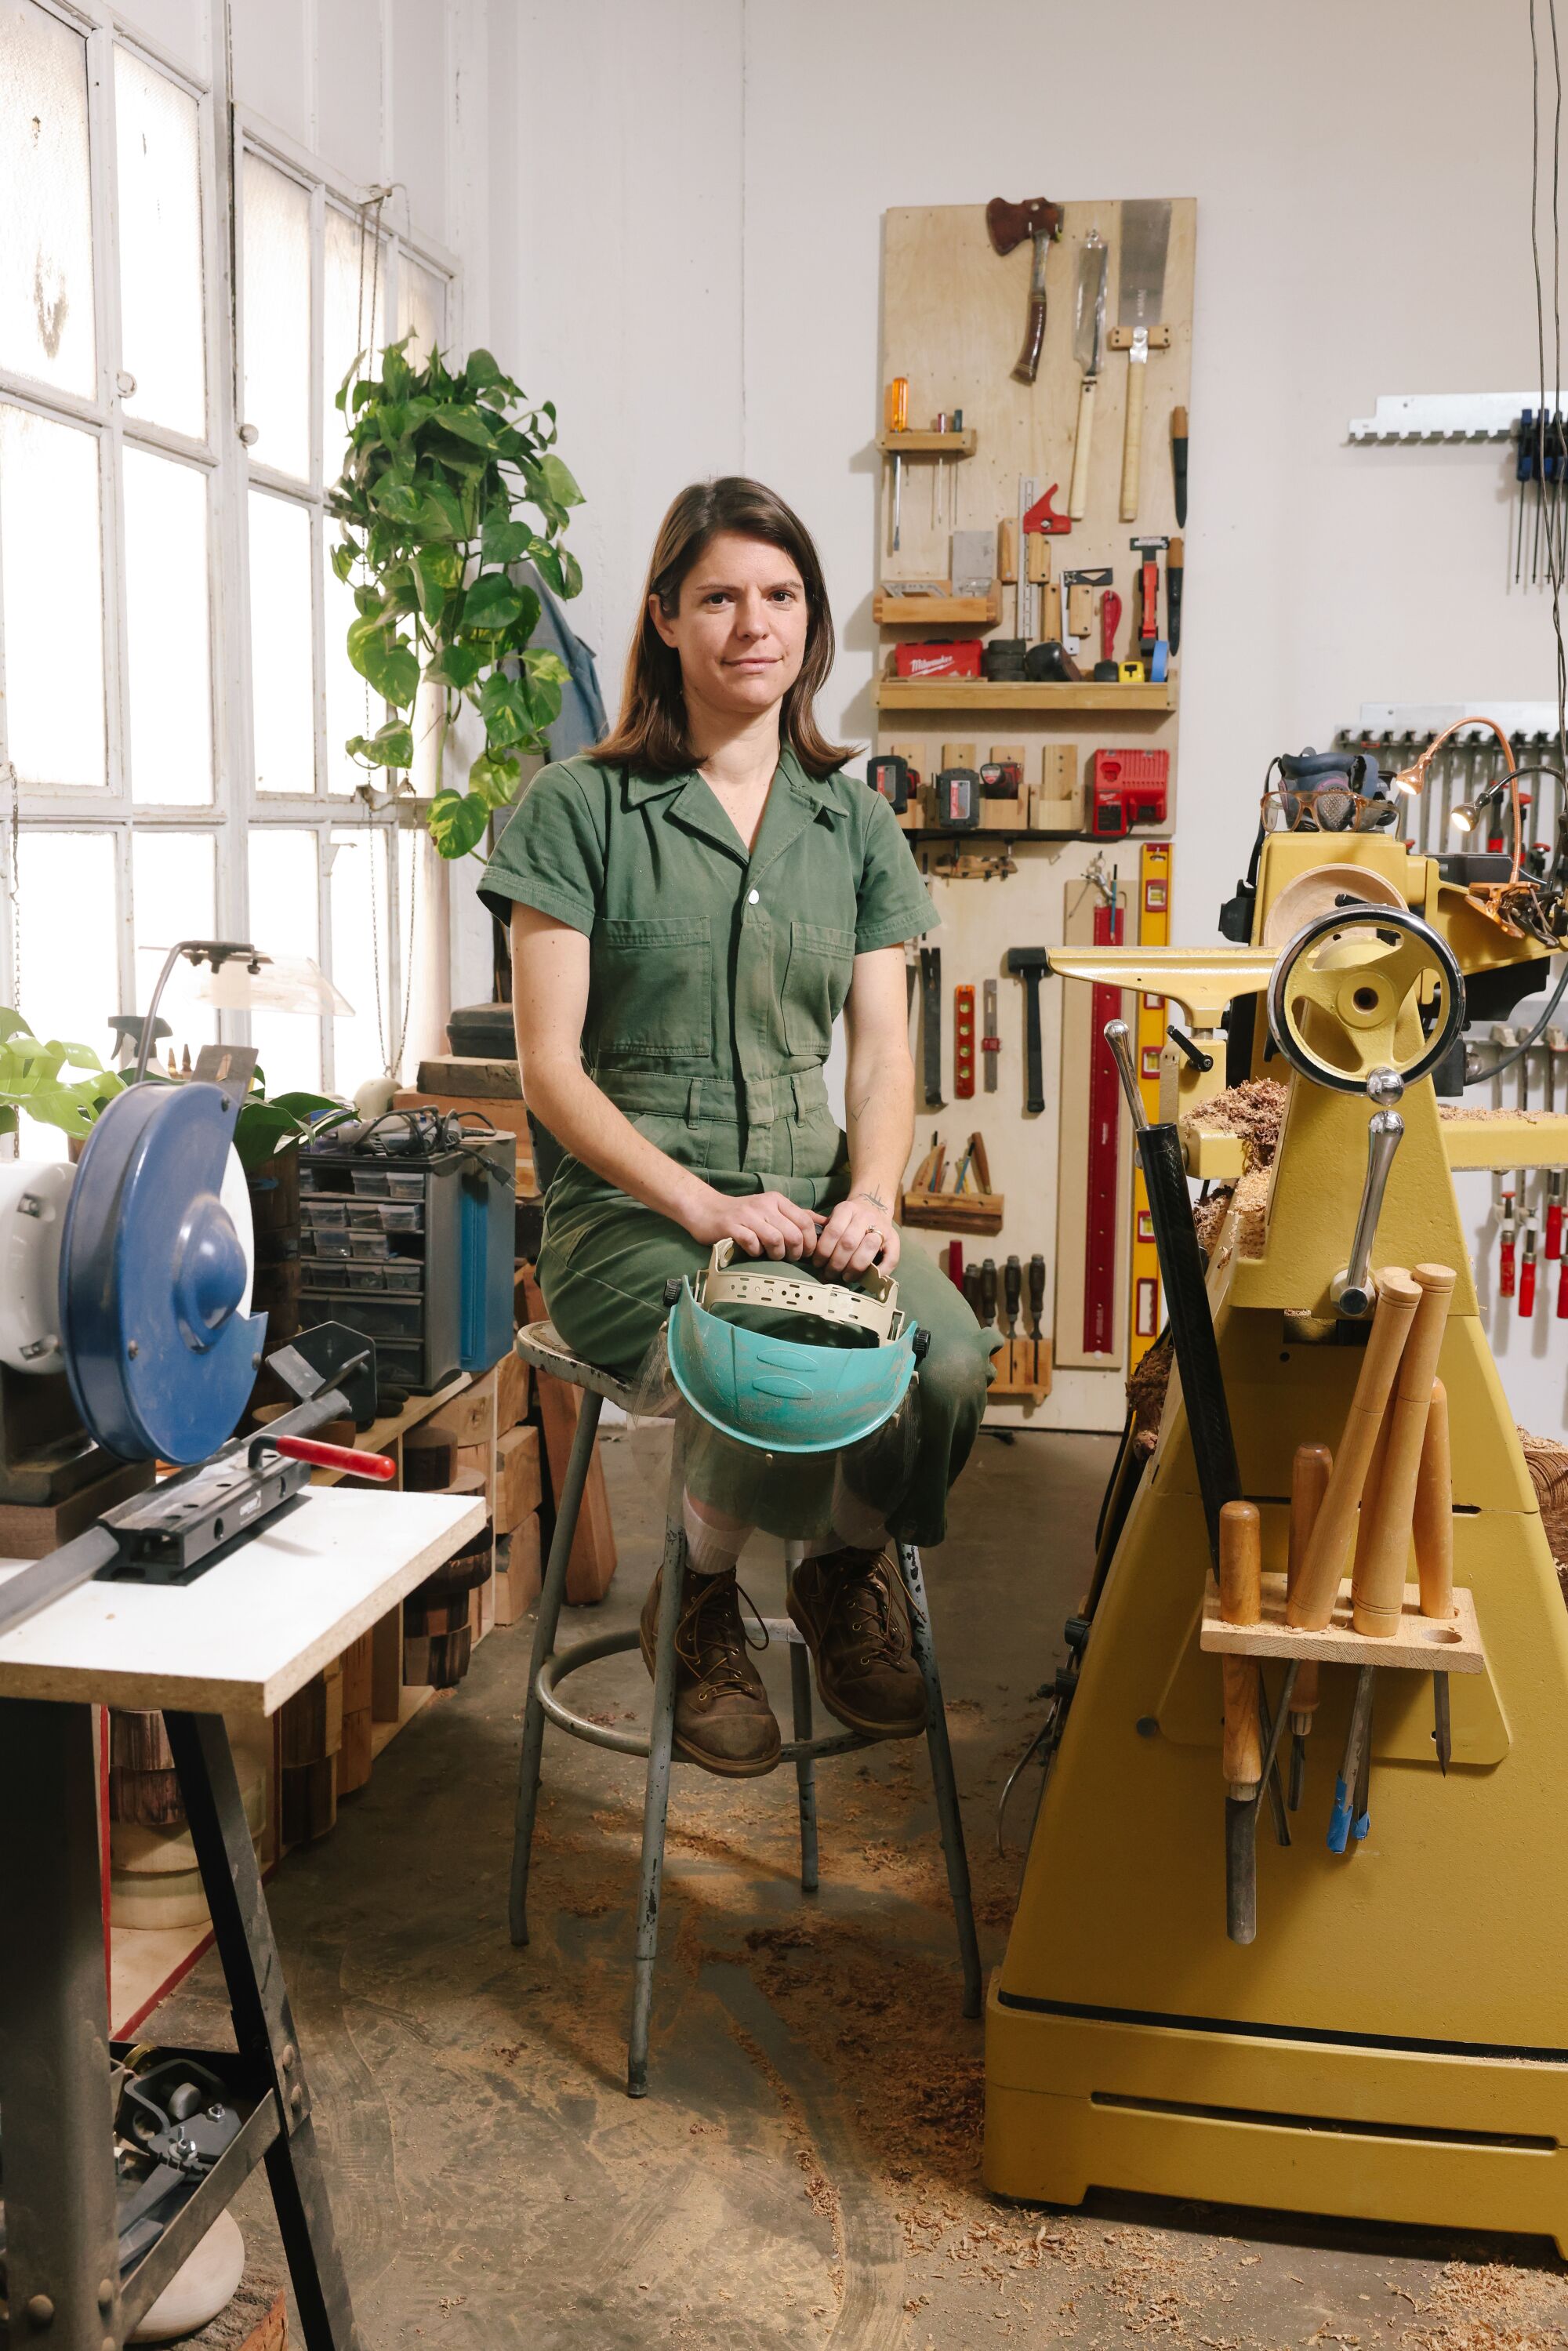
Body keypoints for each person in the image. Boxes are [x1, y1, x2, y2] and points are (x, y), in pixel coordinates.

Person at [479, 477, 993, 1777]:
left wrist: (873, 1196)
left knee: (946, 1365)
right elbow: (550, 1072)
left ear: (812, 626)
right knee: (773, 1357)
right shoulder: (576, 811)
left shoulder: (856, 823)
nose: (751, 625)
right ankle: (698, 1597)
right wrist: (703, 1208)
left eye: (780, 597)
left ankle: (837, 1573)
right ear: (663, 619)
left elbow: (882, 1052)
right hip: (633, 1217)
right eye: (717, 597)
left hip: (810, 1194)